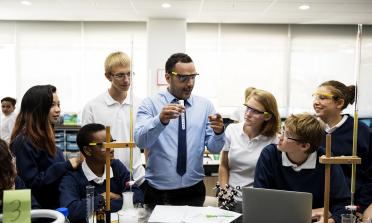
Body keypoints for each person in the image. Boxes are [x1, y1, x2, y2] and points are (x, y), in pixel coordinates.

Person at [134, 53, 225, 206]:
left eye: (193, 77)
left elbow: (215, 149)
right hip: (159, 192)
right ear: (168, 78)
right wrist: (160, 120)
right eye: (183, 78)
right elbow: (141, 142)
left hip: (194, 190)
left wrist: (219, 132)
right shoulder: (150, 104)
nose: (190, 83)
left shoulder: (205, 106)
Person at [254, 114, 350, 223]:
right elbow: (260, 202)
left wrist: (331, 221)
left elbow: (343, 205)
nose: (279, 137)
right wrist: (313, 212)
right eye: (282, 130)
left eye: (287, 135)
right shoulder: (269, 155)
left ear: (304, 146)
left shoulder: (326, 158)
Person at [82, 51, 147, 191]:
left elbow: (148, 143)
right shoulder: (92, 107)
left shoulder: (141, 104)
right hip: (105, 182)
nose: (126, 80)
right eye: (120, 75)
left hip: (137, 180)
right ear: (108, 76)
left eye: (130, 74)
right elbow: (85, 148)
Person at [10, 85, 81, 209]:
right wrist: (65, 166)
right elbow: (28, 185)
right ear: (37, 108)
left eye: (58, 105)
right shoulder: (22, 143)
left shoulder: (45, 139)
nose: (57, 109)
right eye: (51, 105)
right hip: (39, 213)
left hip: (57, 208)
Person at [59, 123, 144, 222]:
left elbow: (138, 198)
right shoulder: (72, 176)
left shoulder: (117, 166)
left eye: (111, 143)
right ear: (87, 150)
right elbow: (71, 211)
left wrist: (93, 207)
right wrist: (105, 197)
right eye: (104, 145)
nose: (111, 149)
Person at [313, 80, 372, 216]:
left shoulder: (360, 131)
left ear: (339, 103)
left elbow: (370, 173)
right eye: (316, 97)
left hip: (349, 205)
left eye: (322, 97)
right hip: (316, 204)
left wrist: (361, 207)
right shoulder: (310, 128)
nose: (316, 101)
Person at [219, 89, 280, 200]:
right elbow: (223, 165)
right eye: (247, 108)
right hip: (229, 197)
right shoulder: (232, 130)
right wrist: (224, 191)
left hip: (257, 200)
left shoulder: (275, 140)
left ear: (267, 117)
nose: (248, 114)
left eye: (255, 111)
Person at [0, 138, 41, 217]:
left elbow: (36, 212)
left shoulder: (14, 180)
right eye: (10, 158)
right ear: (3, 165)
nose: (14, 161)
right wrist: (11, 197)